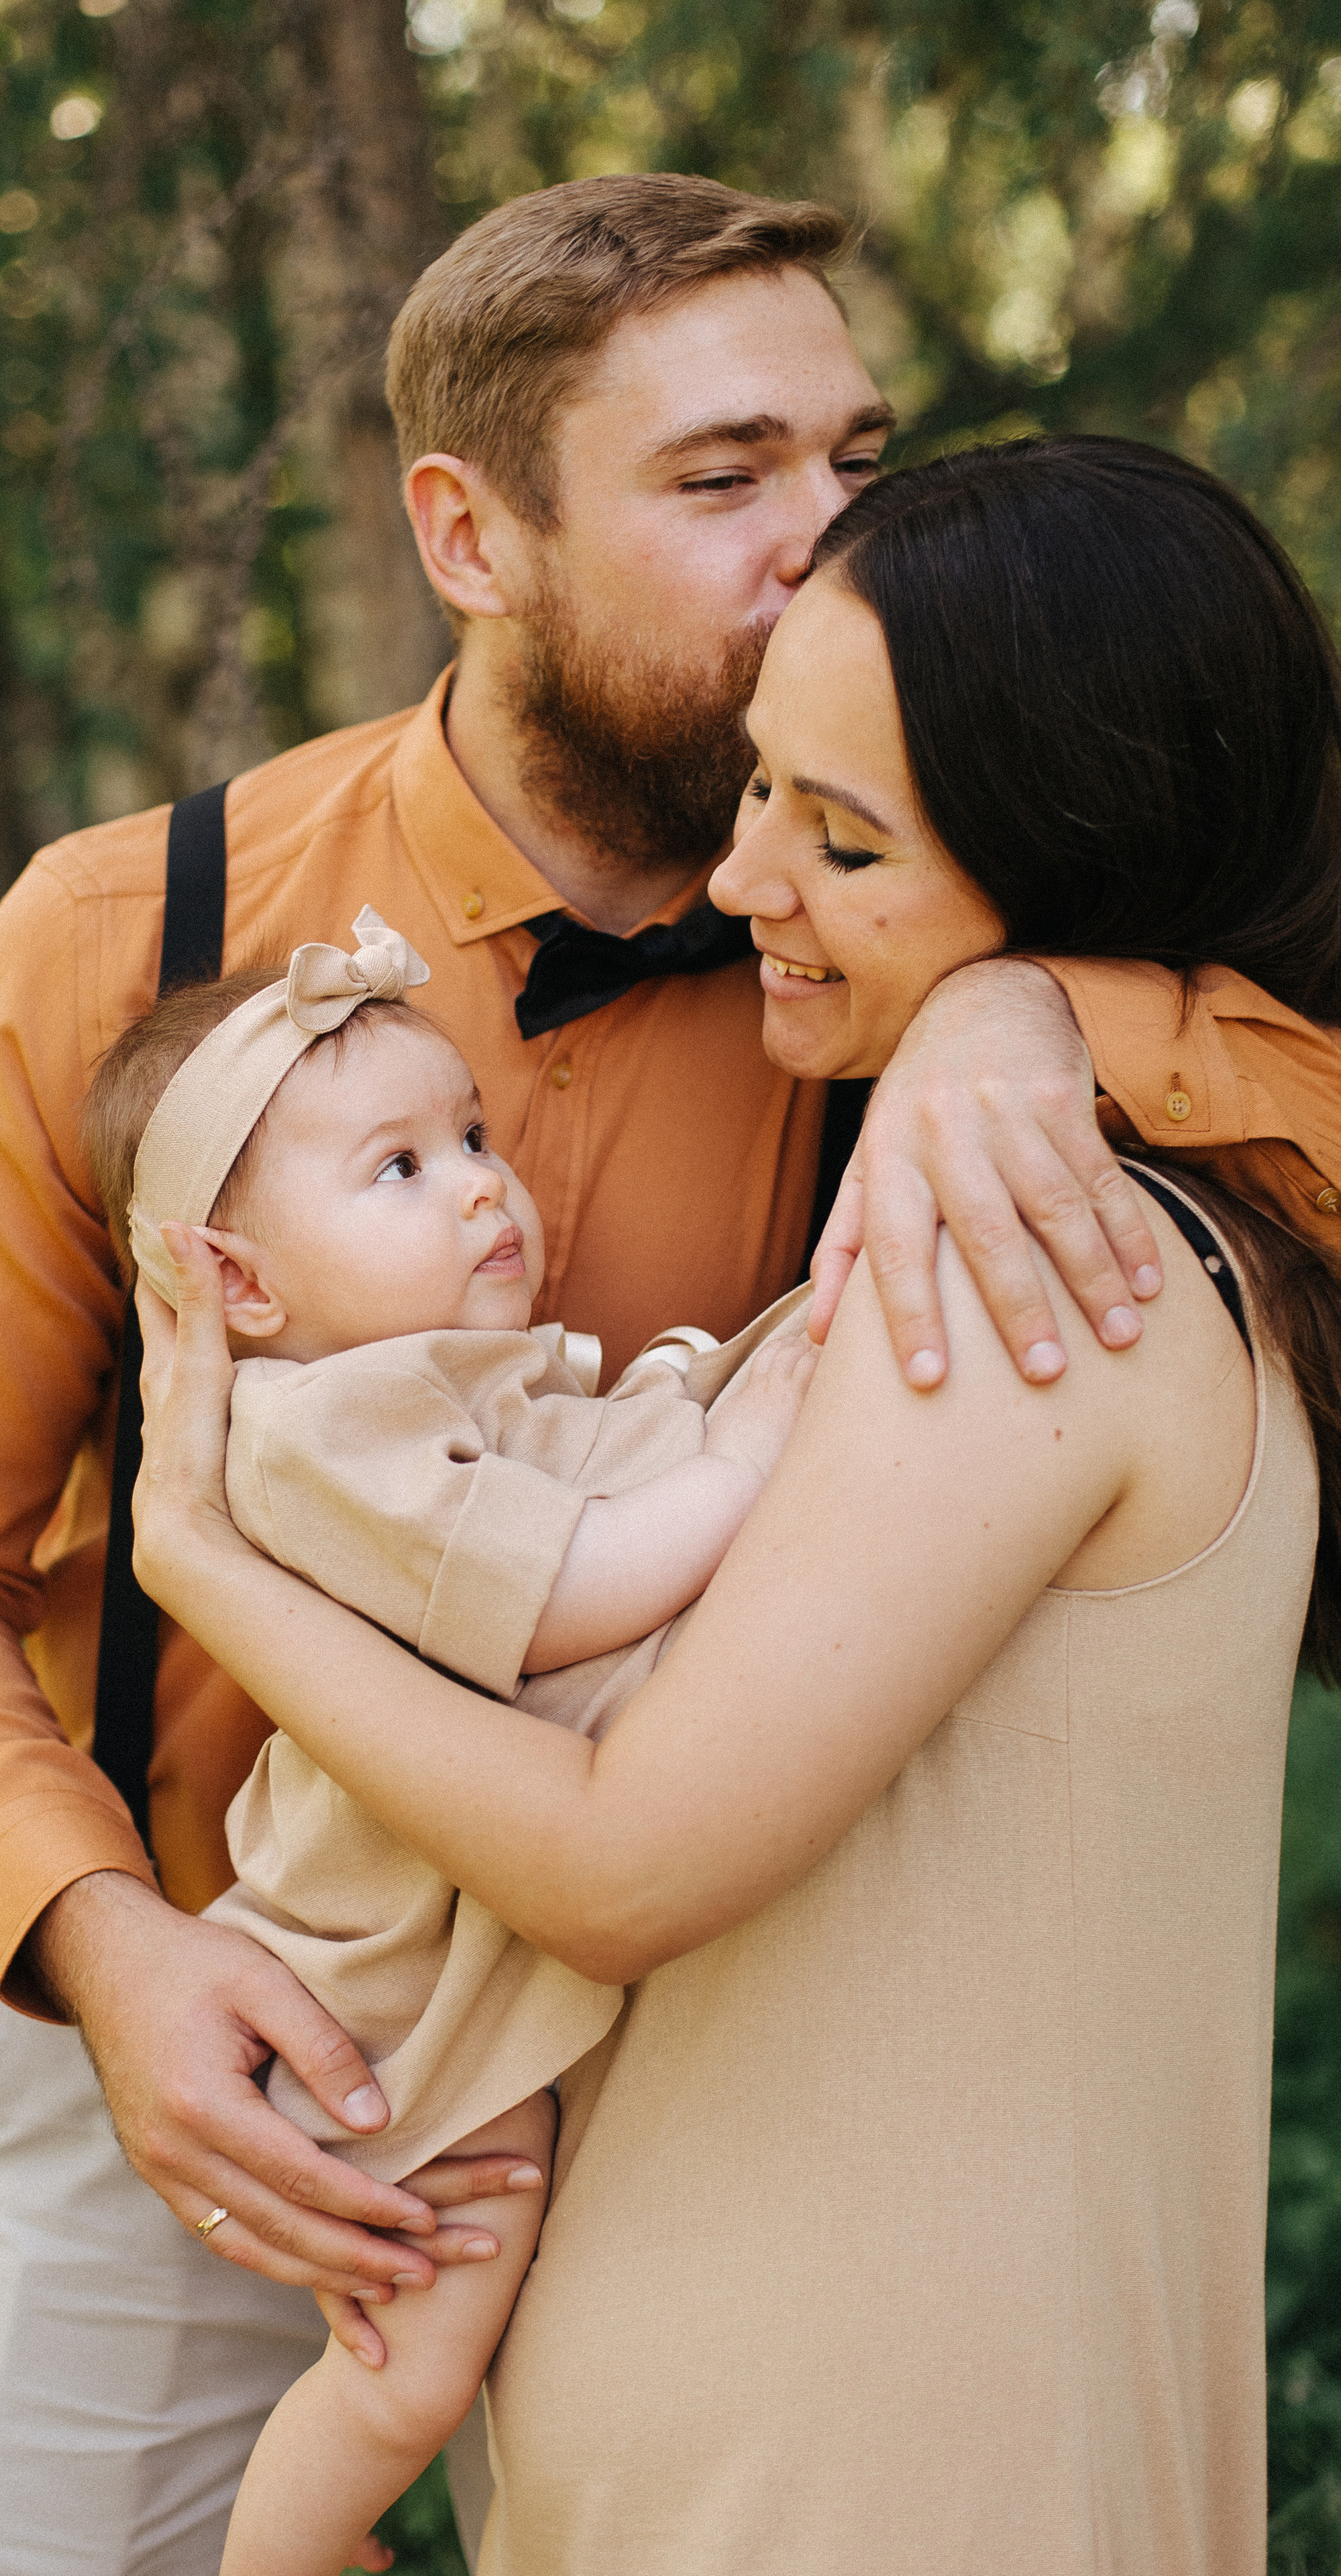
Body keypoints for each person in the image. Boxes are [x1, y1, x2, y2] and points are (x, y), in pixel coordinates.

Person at [0, 174, 1325, 2576]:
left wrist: (1055, 1006)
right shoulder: (124, 937)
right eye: (725, 481)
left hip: (680, 2061)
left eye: (856, 456)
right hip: (196, 2012)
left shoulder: (896, 948)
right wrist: (108, 1949)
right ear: (470, 535)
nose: (827, 537)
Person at [129, 434, 1341, 2575]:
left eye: (844, 837)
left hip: (874, 2475)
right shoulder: (985, 1185)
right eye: (763, 784)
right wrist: (1016, 998)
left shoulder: (1052, 1256)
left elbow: (623, 1868)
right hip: (736, 2442)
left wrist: (211, 1566)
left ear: (1072, 858)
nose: (739, 877)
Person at [83, 915, 814, 2575]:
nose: (482, 1184)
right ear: (243, 1288)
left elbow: (592, 1442)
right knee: (420, 2353)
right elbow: (575, 1583)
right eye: (399, 1171)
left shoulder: (422, 1387)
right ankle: (284, 2552)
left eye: (471, 1136)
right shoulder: (322, 1434)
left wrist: (707, 1388)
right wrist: (754, 1443)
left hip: (479, 1932)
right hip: (389, 1997)